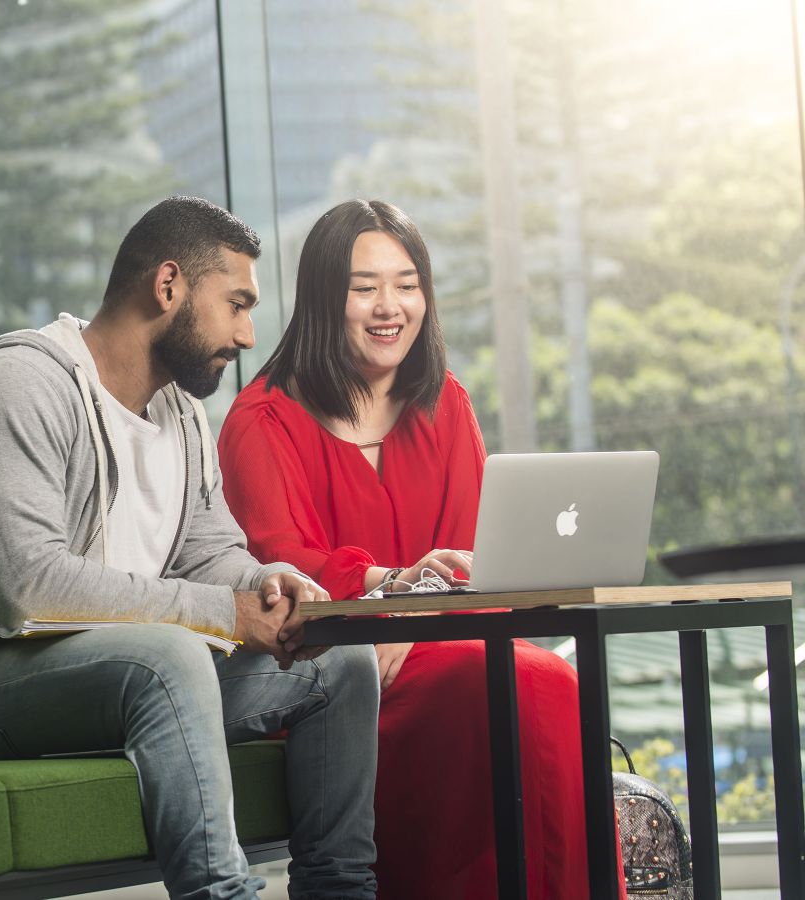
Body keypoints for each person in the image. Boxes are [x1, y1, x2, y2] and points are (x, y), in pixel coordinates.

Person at [0, 196, 381, 900]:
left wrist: (270, 586)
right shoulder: (19, 384)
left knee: (342, 660)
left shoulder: (182, 415)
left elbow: (210, 555)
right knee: (168, 649)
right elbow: (29, 589)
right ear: (168, 286)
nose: (248, 333)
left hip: (122, 678)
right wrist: (225, 615)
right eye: (235, 303)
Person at [217, 199, 625, 899]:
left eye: (407, 284)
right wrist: (386, 594)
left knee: (545, 680)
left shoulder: (446, 405)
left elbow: (475, 562)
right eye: (364, 286)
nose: (390, 306)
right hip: (340, 679)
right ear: (322, 296)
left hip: (446, 645)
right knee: (530, 683)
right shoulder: (261, 421)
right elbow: (280, 566)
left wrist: (416, 614)